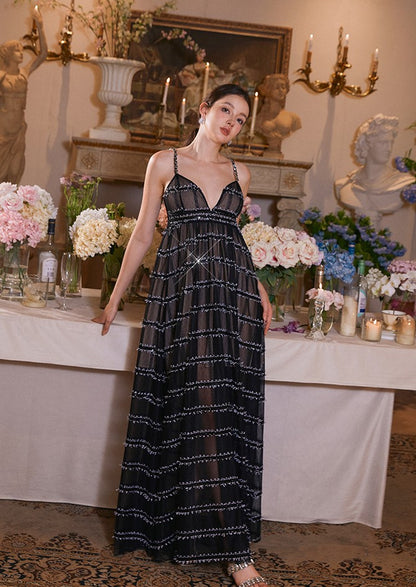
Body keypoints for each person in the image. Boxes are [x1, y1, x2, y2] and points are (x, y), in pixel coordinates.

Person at [93, 83, 272, 587]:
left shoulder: (240, 173)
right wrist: (114, 298)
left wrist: (258, 287)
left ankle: (235, 552)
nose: (232, 122)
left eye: (241, 119)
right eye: (225, 110)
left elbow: (232, 238)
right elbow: (143, 234)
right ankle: (188, 533)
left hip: (232, 299)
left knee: (223, 410)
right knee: (192, 407)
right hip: (180, 298)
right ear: (203, 110)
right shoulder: (164, 163)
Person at [335, 113, 414, 228]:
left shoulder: (402, 185)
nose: (389, 149)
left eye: (391, 142)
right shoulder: (344, 185)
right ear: (366, 145)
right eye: (383, 143)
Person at [0, 5, 47, 184]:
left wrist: (40, 26)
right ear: (7, 54)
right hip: (2, 134)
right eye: (17, 50)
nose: (21, 53)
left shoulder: (24, 73)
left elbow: (43, 55)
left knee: (14, 175)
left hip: (18, 132)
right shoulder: (1, 76)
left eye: (21, 50)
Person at [257, 73, 301, 158]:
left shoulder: (293, 118)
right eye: (277, 87)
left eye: (283, 87)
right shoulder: (259, 118)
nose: (281, 90)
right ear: (268, 90)